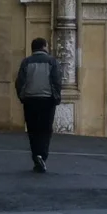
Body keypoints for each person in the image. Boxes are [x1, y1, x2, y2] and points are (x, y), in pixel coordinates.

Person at [14, 37, 62, 172]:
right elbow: (57, 81)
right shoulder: (52, 61)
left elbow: (19, 82)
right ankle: (42, 155)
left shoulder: (26, 62)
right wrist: (56, 97)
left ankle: (36, 155)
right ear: (44, 47)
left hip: (30, 100)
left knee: (33, 130)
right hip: (47, 100)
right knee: (45, 130)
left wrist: (22, 97)